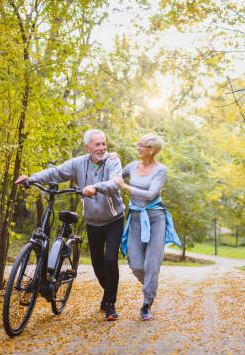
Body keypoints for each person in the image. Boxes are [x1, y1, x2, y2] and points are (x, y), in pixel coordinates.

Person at [14, 129, 124, 321]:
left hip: (113, 219)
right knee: (97, 265)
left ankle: (111, 304)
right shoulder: (79, 163)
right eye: (97, 144)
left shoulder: (113, 161)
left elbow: (115, 183)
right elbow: (56, 172)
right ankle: (108, 291)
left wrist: (96, 187)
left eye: (103, 144)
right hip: (93, 221)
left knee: (110, 259)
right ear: (87, 147)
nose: (101, 148)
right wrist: (31, 178)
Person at [111, 133, 181, 321]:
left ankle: (146, 304)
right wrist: (111, 158)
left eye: (141, 145)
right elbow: (115, 175)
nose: (138, 147)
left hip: (155, 218)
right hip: (135, 218)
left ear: (151, 149)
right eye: (138, 144)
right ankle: (150, 285)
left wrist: (125, 187)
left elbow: (150, 194)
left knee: (152, 264)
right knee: (135, 264)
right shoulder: (133, 166)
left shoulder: (161, 170)